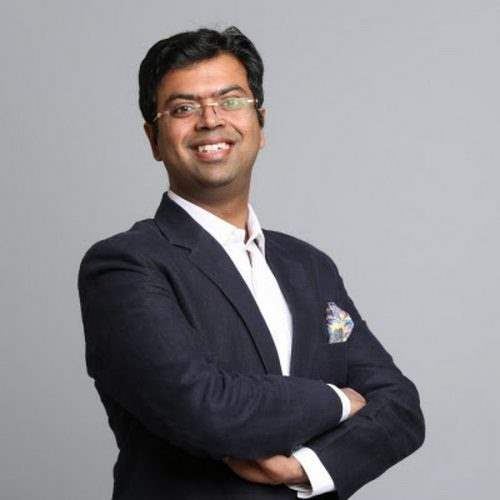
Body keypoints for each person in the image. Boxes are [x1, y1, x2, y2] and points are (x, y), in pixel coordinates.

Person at [78, 26, 425, 500]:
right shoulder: (124, 266)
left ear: (260, 123)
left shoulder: (309, 267)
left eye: (231, 100)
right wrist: (339, 400)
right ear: (153, 139)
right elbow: (206, 408)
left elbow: (400, 406)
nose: (210, 120)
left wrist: (302, 468)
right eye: (183, 108)